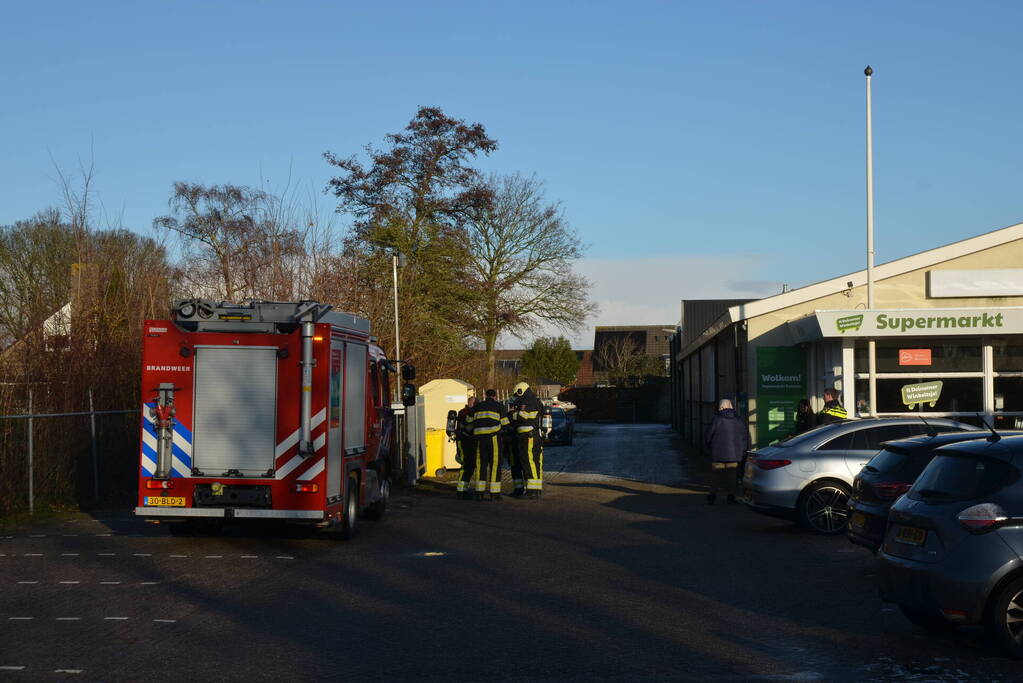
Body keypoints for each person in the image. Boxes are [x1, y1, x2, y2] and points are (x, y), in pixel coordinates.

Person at [704, 398, 750, 504]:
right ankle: (731, 496)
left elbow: (708, 436)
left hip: (718, 453)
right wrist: (742, 450)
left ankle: (712, 496)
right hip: (734, 454)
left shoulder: (716, 419)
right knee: (732, 476)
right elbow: (744, 436)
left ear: (721, 407)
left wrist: (710, 447)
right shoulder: (738, 420)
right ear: (731, 406)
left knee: (716, 475)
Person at [467, 388, 510, 500]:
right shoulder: (499, 406)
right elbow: (505, 424)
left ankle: (479, 493)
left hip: (479, 439)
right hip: (494, 438)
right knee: (495, 464)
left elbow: (468, 421)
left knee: (481, 465)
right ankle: (494, 494)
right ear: (495, 396)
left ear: (485, 396)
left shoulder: (477, 406)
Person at [509, 381, 544, 499]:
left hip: (527, 436)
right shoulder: (534, 399)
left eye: (517, 394)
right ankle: (536, 489)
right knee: (534, 461)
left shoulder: (527, 401)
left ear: (520, 391)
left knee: (529, 461)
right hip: (531, 435)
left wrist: (512, 414)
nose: (516, 397)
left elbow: (522, 416)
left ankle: (532, 490)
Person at [454, 396, 479, 500]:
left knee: (470, 465)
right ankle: (461, 491)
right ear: (471, 403)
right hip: (463, 442)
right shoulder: (464, 412)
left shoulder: (468, 412)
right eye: (475, 403)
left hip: (468, 442)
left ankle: (464, 488)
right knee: (466, 465)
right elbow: (468, 425)